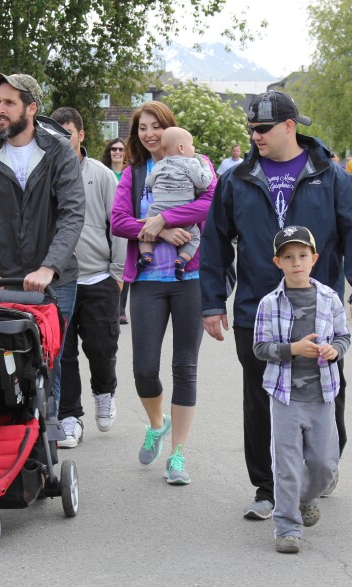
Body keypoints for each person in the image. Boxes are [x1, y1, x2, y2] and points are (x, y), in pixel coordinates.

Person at [200, 90, 352, 520]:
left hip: (318, 310)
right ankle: (267, 487)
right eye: (251, 129)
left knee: (325, 395)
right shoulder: (237, 179)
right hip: (257, 312)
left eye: (263, 129)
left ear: (289, 127)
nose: (255, 136)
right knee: (261, 399)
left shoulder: (331, 177)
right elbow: (215, 242)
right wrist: (212, 301)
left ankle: (320, 468)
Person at [0, 72, 85, 419]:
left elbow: (73, 214)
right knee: (3, 358)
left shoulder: (58, 151)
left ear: (31, 108)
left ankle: (47, 440)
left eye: (9, 103)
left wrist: (49, 266)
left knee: (48, 357)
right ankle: (7, 431)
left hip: (56, 280)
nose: (0, 109)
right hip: (3, 279)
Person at [110, 101, 217, 485]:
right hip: (147, 281)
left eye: (156, 126)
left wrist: (166, 217)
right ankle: (157, 424)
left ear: (169, 128)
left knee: (185, 368)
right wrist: (158, 229)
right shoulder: (135, 173)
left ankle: (177, 455)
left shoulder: (197, 161)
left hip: (190, 279)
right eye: (142, 128)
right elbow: (119, 221)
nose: (150, 133)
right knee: (143, 371)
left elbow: (210, 202)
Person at [253, 226, 350, 554]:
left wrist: (334, 350)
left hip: (322, 395)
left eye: (303, 256)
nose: (297, 262)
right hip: (284, 398)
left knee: (324, 464)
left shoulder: (329, 298)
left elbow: (343, 336)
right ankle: (287, 527)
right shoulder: (269, 303)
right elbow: (260, 347)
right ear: (277, 261)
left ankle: (307, 499)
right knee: (287, 465)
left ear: (314, 259)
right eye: (289, 257)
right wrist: (293, 349)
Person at [49, 107, 126, 448]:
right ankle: (69, 417)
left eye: (67, 133)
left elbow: (119, 226)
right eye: (55, 134)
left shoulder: (102, 175)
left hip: (99, 277)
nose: (61, 140)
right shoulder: (44, 175)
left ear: (81, 136)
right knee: (61, 351)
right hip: (59, 280)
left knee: (101, 346)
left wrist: (118, 273)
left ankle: (105, 391)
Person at [138, 127, 213, 280]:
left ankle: (146, 254)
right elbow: (203, 182)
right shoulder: (192, 163)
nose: (193, 149)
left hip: (157, 210)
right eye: (191, 145)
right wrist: (204, 166)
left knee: (145, 232)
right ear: (181, 147)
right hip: (182, 210)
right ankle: (182, 259)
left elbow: (148, 183)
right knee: (194, 236)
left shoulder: (158, 165)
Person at [102, 137, 130, 323]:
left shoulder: (130, 174)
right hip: (105, 224)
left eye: (120, 149)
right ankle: (108, 305)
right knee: (106, 264)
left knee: (123, 264)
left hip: (124, 224)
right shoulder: (103, 173)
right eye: (113, 149)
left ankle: (120, 309)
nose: (117, 152)